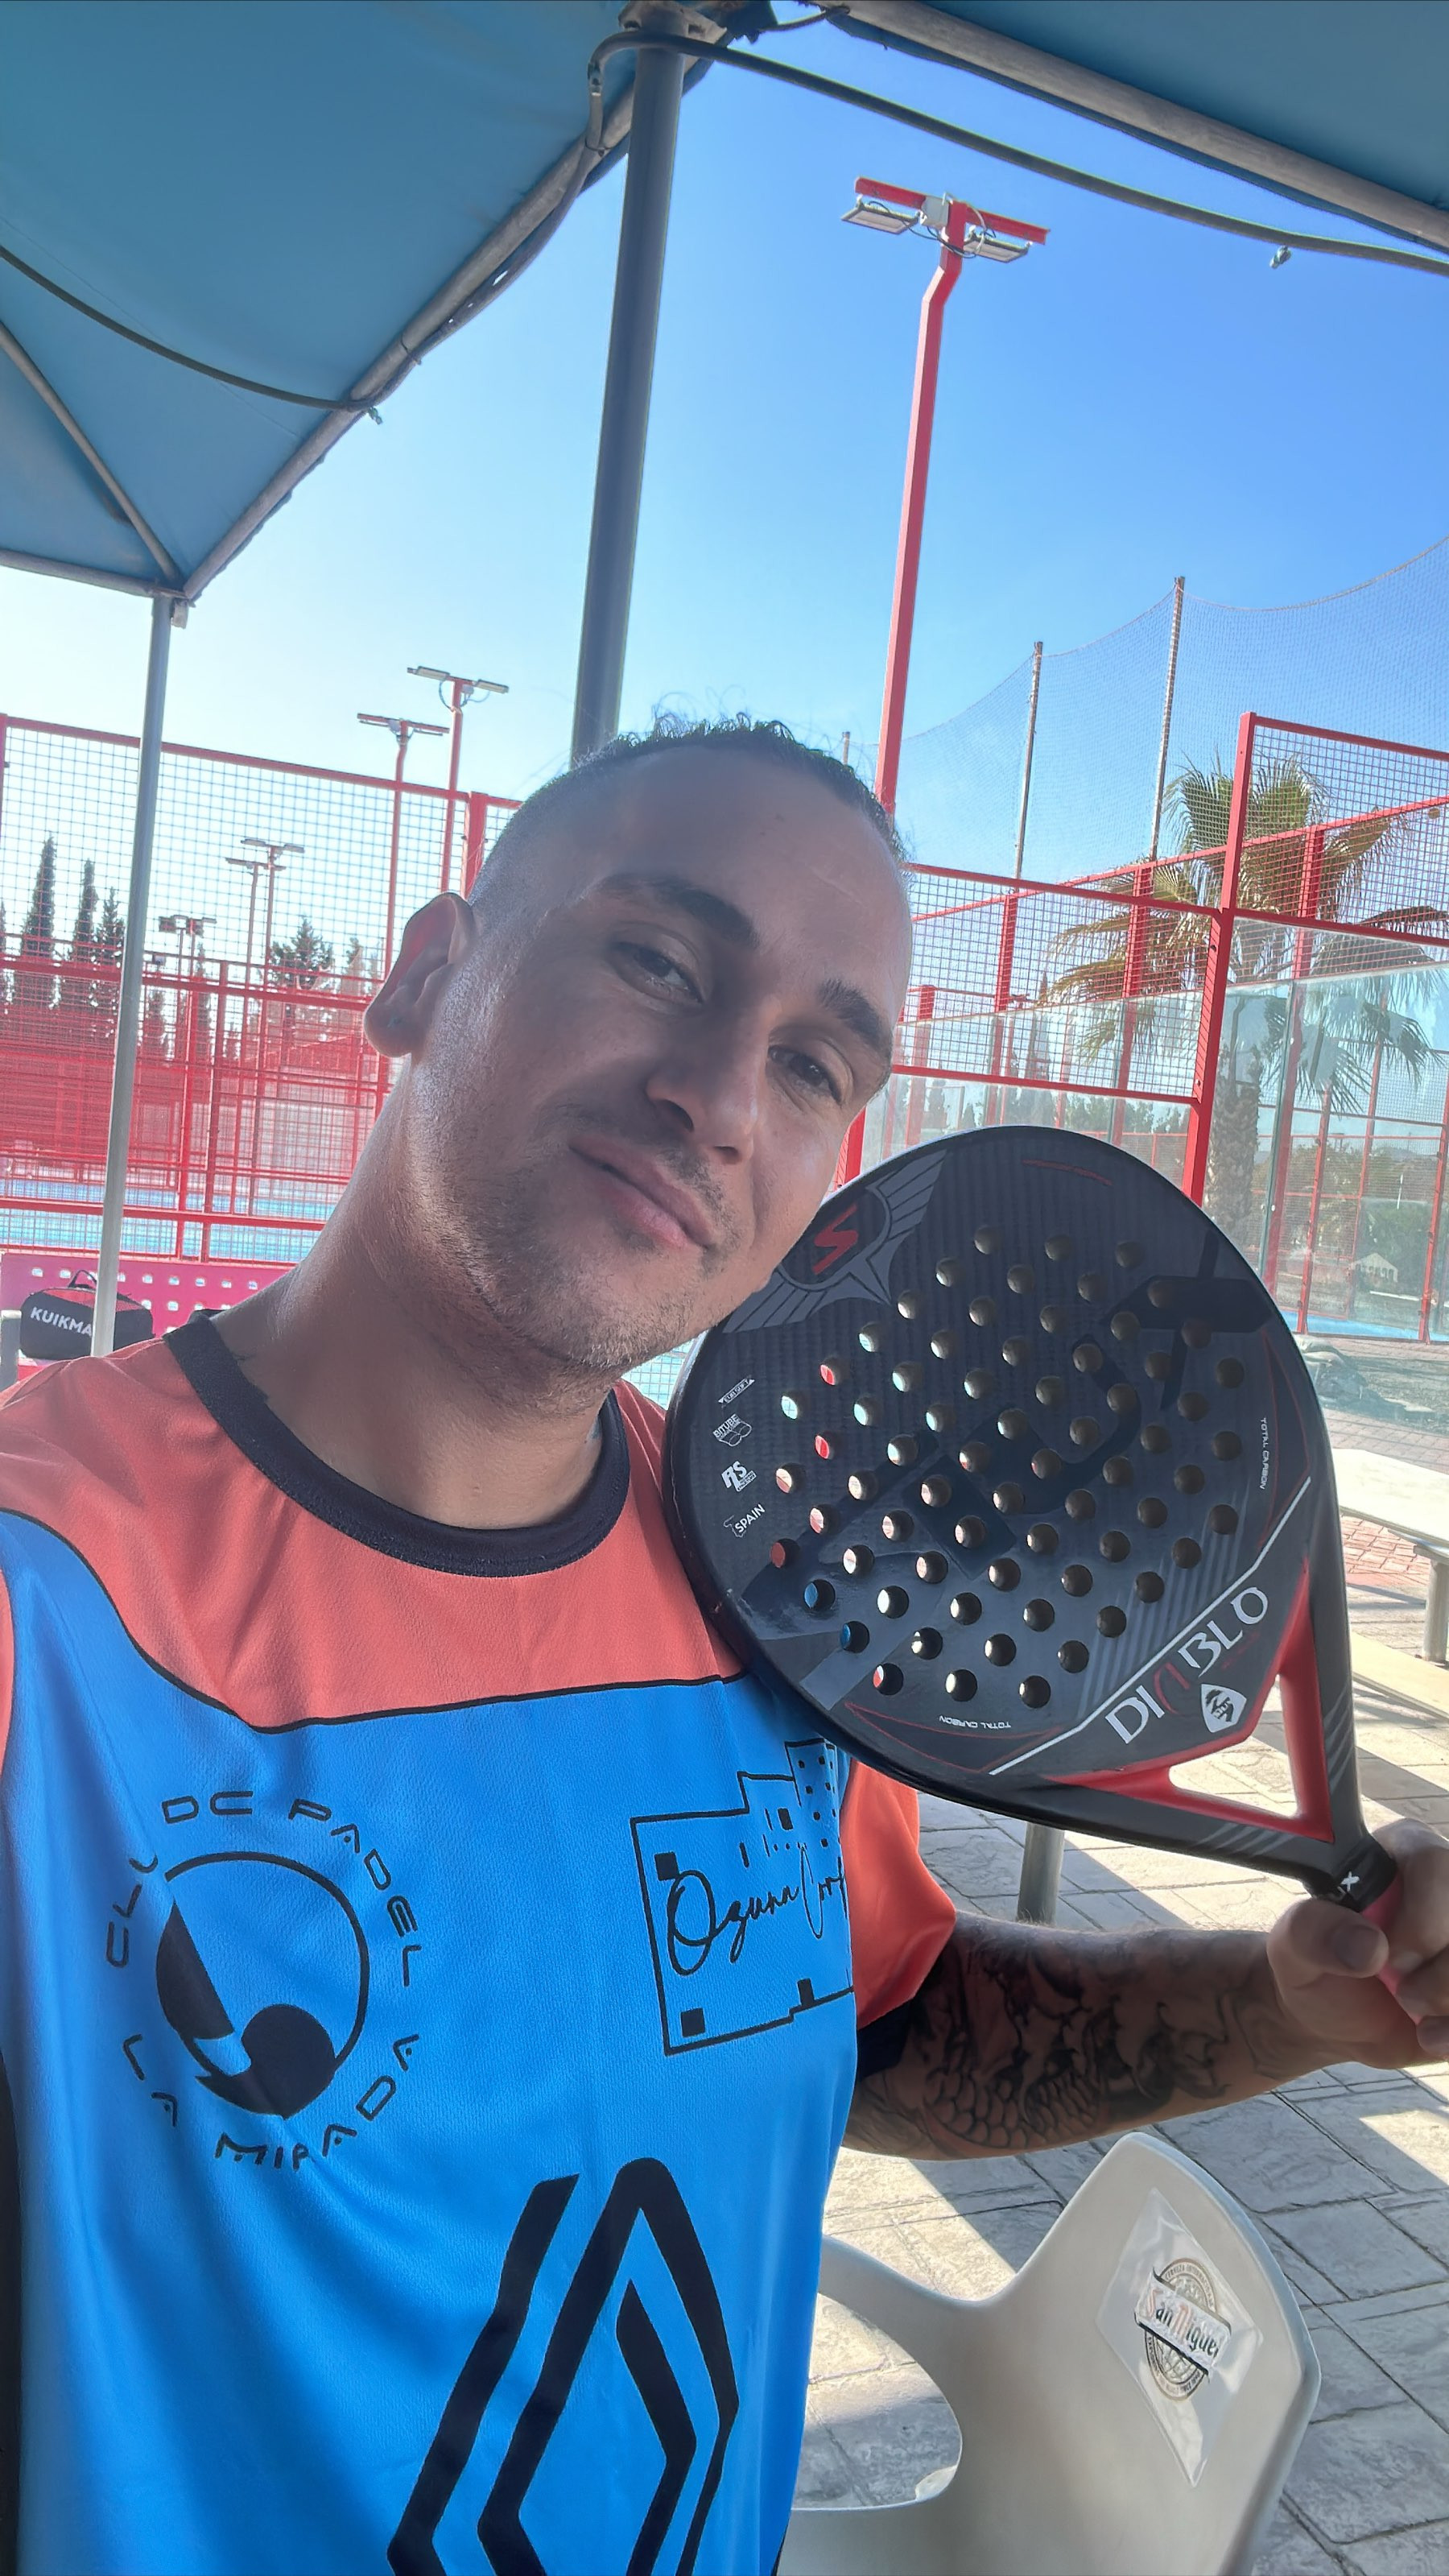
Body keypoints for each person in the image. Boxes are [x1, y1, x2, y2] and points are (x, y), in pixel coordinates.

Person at [0, 718, 1444, 2576]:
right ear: (426, 979)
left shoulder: (771, 1588)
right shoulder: (51, 1587)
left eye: (816, 1060)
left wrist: (1288, 2003)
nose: (720, 1096)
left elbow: (888, 2031)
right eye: (661, 960)